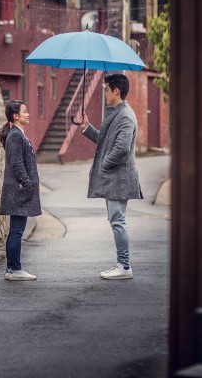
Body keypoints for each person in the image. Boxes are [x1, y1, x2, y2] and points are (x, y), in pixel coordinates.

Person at [78, 73, 143, 280]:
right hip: (115, 177)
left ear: (116, 91)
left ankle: (124, 266)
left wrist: (105, 165)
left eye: (106, 89)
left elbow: (121, 149)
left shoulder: (125, 115)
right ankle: (122, 264)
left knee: (118, 221)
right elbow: (105, 141)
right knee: (116, 220)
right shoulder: (116, 113)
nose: (104, 94)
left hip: (119, 177)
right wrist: (86, 128)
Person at [0, 100, 42, 281]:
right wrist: (28, 183)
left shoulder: (18, 134)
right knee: (17, 230)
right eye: (25, 111)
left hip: (18, 188)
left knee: (16, 229)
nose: (28, 113)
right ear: (15, 116)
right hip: (19, 189)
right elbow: (16, 163)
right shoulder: (15, 136)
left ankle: (12, 268)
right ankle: (14, 269)